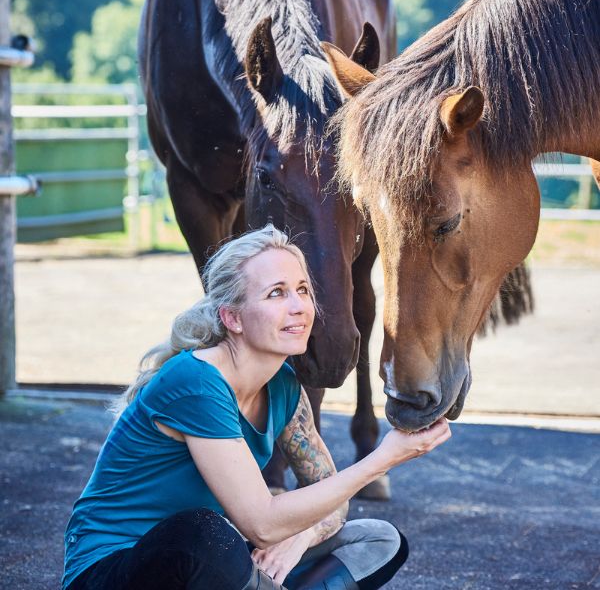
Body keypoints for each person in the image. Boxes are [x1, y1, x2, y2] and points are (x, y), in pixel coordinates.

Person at [62, 225, 451, 590]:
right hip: (116, 567)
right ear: (232, 318)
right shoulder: (195, 382)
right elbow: (262, 524)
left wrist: (299, 538)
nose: (299, 306)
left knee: (376, 539)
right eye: (276, 293)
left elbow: (333, 501)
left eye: (302, 289)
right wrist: (381, 459)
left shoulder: (284, 387)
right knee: (206, 533)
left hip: (221, 562)